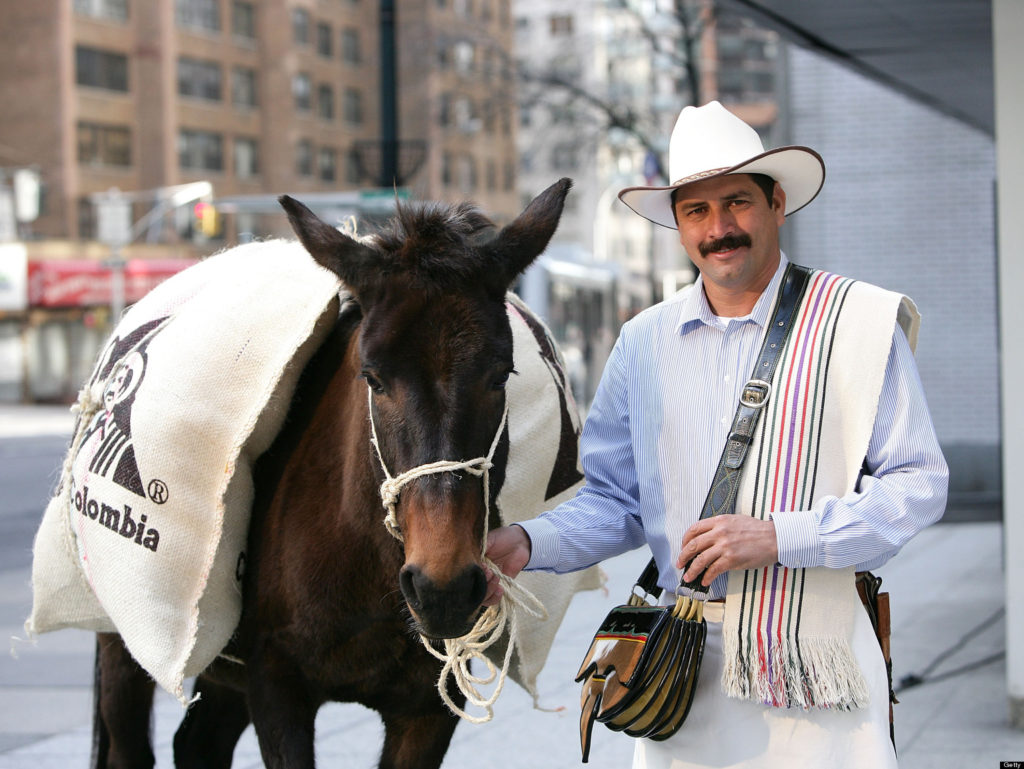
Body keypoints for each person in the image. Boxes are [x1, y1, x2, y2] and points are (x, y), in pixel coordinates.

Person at [483, 101, 948, 768]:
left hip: (825, 657)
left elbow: (920, 482)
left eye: (737, 202)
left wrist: (778, 535)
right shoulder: (641, 344)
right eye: (696, 211)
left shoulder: (858, 322)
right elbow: (616, 502)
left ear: (777, 204)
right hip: (686, 664)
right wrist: (528, 541)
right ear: (678, 226)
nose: (719, 227)